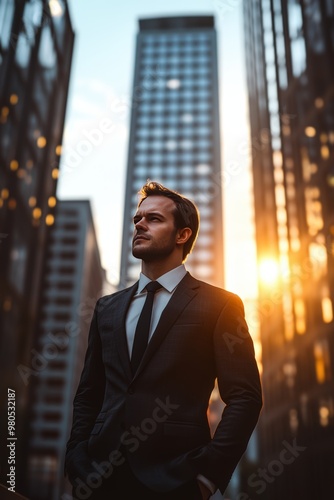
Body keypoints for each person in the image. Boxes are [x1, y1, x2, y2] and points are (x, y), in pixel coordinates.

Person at [65, 181, 262, 499]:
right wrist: (76, 461)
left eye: (154, 219)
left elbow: (245, 397)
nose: (140, 224)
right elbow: (89, 394)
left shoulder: (220, 305)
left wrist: (207, 478)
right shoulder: (106, 308)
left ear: (182, 235)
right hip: (97, 479)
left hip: (177, 481)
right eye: (137, 219)